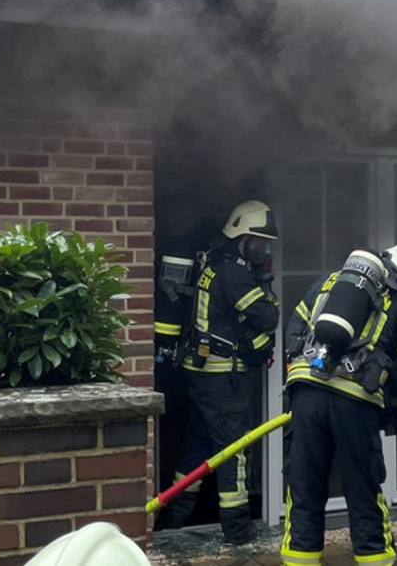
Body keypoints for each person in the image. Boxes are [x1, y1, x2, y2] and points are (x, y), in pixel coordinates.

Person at [280, 245, 397, 566]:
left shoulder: (327, 283)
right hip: (355, 402)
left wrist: (305, 369)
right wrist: (393, 405)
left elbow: (294, 328)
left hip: (305, 392)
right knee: (363, 493)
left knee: (304, 491)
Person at [160, 200, 281, 545]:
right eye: (260, 243)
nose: (264, 250)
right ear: (242, 238)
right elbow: (267, 318)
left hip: (202, 377)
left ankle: (174, 518)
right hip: (221, 380)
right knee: (233, 452)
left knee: (197, 448)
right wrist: (267, 293)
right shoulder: (234, 274)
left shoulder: (215, 264)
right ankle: (239, 530)